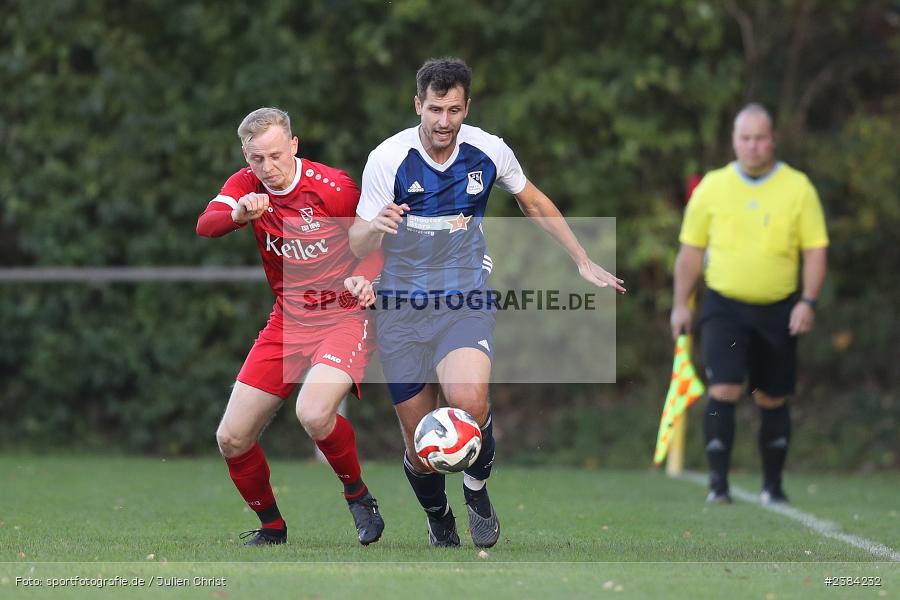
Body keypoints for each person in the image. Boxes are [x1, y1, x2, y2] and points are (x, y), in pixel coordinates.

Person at [349, 58, 625, 548]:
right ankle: (439, 517)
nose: (443, 121)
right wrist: (376, 225)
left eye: (453, 109)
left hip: (463, 299)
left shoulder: (488, 150)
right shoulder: (388, 158)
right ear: (418, 105)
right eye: (434, 109)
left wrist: (581, 258)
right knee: (419, 447)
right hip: (400, 310)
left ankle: (476, 491)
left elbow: (533, 202)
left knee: (470, 400)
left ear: (466, 107)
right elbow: (356, 242)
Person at [196, 107, 385, 546]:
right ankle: (272, 528)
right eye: (257, 159)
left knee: (314, 413)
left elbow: (376, 242)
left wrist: (367, 277)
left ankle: (358, 495)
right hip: (287, 321)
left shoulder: (333, 187)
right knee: (231, 437)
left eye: (276, 155)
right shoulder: (244, 186)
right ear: (246, 156)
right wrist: (239, 214)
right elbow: (206, 226)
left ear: (294, 145)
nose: (268, 168)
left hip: (342, 315)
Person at [670, 103, 828, 505]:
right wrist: (680, 305)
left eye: (760, 138)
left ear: (772, 139)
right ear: (734, 141)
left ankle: (772, 487)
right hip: (724, 307)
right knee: (722, 388)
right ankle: (718, 486)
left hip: (779, 308)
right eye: (745, 138)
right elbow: (690, 252)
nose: (753, 146)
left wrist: (807, 301)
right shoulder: (712, 187)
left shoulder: (798, 188)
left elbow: (815, 251)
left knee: (772, 396)